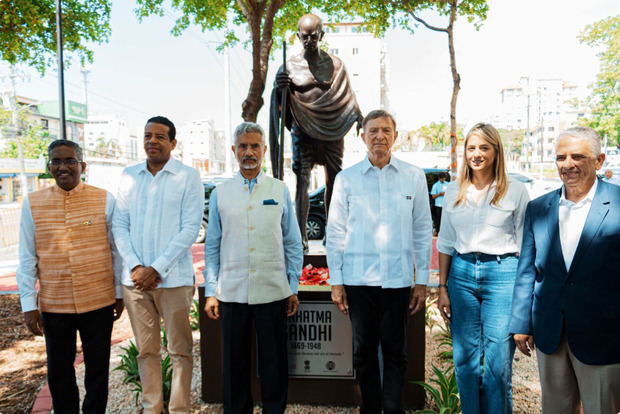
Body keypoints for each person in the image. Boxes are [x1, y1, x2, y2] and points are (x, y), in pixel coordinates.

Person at [326, 110, 432, 413]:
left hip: (397, 282)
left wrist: (421, 281)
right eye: (373, 131)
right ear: (362, 137)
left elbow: (423, 230)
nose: (379, 136)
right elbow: (335, 233)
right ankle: (370, 408)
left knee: (397, 354)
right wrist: (337, 281)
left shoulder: (413, 177)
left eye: (386, 130)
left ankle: (393, 408)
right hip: (359, 282)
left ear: (395, 136)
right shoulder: (346, 180)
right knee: (363, 353)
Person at [510, 126, 620, 414]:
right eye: (561, 157)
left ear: (599, 160)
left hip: (604, 333)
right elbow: (527, 270)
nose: (567, 164)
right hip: (551, 331)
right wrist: (521, 323)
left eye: (577, 157)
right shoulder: (538, 208)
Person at [16, 139, 123, 413]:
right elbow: (27, 258)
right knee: (59, 373)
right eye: (57, 161)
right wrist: (29, 305)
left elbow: (116, 251)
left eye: (70, 161)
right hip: (55, 304)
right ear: (49, 167)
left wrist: (119, 294)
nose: (63, 167)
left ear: (82, 165)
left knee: (98, 372)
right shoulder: (32, 204)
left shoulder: (104, 199)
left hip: (98, 301)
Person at [204, 122, 303, 414]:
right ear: (234, 150)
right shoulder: (220, 193)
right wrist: (212, 291)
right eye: (243, 146)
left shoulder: (280, 190)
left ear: (264, 150)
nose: (249, 152)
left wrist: (292, 286)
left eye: (255, 146)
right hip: (232, 293)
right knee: (234, 365)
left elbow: (292, 242)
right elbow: (212, 246)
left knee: (274, 363)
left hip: (273, 292)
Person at [112, 116, 204, 414]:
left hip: (174, 280)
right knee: (146, 350)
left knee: (180, 351)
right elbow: (120, 226)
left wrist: (157, 268)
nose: (152, 141)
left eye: (160, 136)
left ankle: (179, 409)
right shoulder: (129, 175)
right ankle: (152, 408)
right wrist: (138, 267)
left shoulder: (187, 176)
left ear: (173, 143)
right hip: (135, 283)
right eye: (148, 135)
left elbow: (190, 227)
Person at [436, 123, 529, 414]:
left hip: (503, 274)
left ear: (496, 151)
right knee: (465, 362)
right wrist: (442, 287)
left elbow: (527, 246)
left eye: (484, 147)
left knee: (497, 365)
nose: (477, 154)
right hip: (461, 275)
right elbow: (446, 242)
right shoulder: (453, 190)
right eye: (472, 148)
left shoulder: (515, 190)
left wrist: (526, 302)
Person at [270, 13, 363, 251]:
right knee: (302, 181)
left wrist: (360, 117)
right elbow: (281, 106)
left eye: (313, 35)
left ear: (321, 35)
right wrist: (279, 88)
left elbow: (347, 96)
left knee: (335, 179)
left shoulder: (336, 65)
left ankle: (330, 234)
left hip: (333, 130)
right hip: (303, 130)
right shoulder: (288, 67)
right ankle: (300, 237)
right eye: (304, 36)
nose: (309, 40)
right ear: (298, 36)